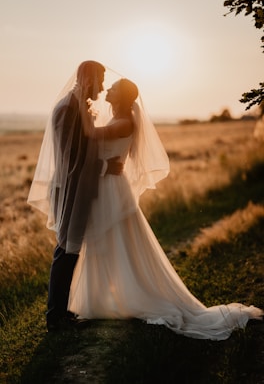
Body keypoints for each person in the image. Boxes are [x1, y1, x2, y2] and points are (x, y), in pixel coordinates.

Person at [67, 70, 263, 341]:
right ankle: (105, 297)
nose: (107, 90)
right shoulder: (116, 117)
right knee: (105, 241)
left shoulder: (125, 122)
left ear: (122, 97)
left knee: (118, 241)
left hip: (113, 189)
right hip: (106, 186)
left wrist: (81, 103)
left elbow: (90, 135)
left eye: (113, 88)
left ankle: (132, 295)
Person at [27, 61, 123, 331]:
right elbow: (72, 157)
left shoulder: (78, 105)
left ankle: (61, 312)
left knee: (71, 249)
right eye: (101, 81)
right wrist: (106, 167)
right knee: (65, 250)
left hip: (79, 188)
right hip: (70, 188)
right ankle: (55, 317)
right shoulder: (68, 109)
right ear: (89, 78)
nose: (103, 88)